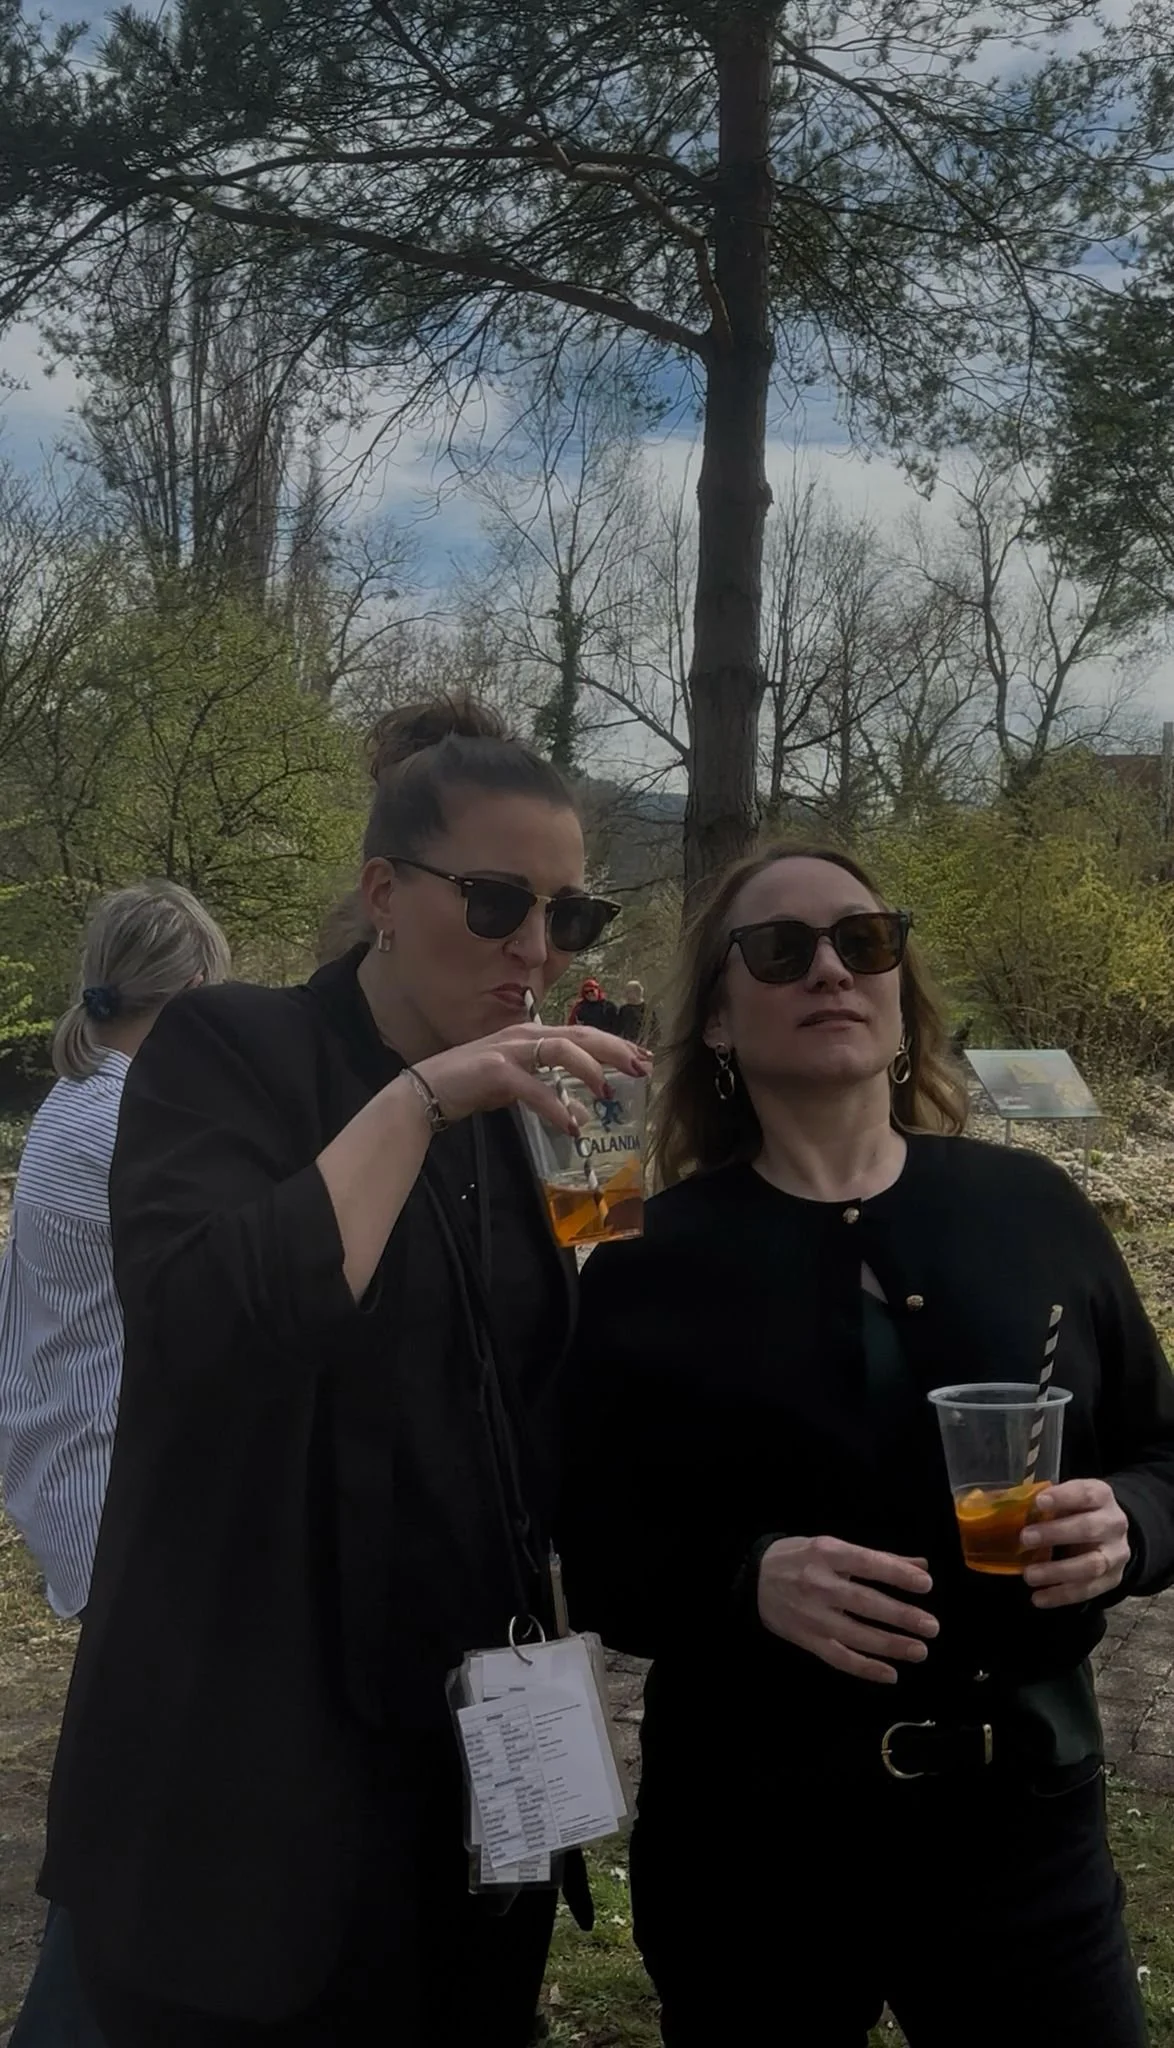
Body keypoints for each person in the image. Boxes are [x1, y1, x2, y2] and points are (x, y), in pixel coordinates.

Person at [38, 697, 650, 2048]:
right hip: (240, 1783)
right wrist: (423, 1096)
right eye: (497, 902)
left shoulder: (526, 1123)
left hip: (460, 1769)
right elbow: (219, 1325)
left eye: (570, 916)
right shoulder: (229, 1052)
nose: (536, 952)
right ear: (382, 890)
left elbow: (541, 1403)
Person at [561, 844, 1174, 2048]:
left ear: (901, 995)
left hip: (1022, 1834)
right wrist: (747, 1577)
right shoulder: (643, 1257)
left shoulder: (1030, 1208)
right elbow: (595, 1550)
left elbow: (1165, 1450)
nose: (830, 968)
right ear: (722, 1021)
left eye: (865, 940)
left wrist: (1132, 1523)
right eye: (781, 949)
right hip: (754, 1846)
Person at [0, 881, 232, 2048]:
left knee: (141, 1790)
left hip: (81, 1478)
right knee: (145, 1812)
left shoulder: (80, 1099)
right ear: (197, 987)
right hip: (118, 1497)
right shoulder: (129, 1118)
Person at [616, 979, 657, 1046]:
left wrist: (647, 1042)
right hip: (627, 1046)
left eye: (628, 992)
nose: (626, 994)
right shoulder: (624, 1009)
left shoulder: (648, 1010)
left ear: (637, 992)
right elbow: (618, 1030)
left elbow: (655, 1030)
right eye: (626, 992)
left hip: (644, 1047)